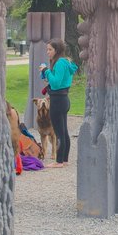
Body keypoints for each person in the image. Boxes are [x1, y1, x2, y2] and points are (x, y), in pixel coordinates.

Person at [38, 39, 77, 168]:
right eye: (47, 49)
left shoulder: (60, 63)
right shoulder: (65, 62)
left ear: (57, 50)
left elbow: (56, 83)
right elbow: (57, 82)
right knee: (64, 131)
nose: (48, 52)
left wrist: (46, 71)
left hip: (58, 101)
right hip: (63, 99)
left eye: (50, 49)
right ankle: (64, 160)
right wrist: (48, 75)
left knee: (59, 132)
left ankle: (59, 161)